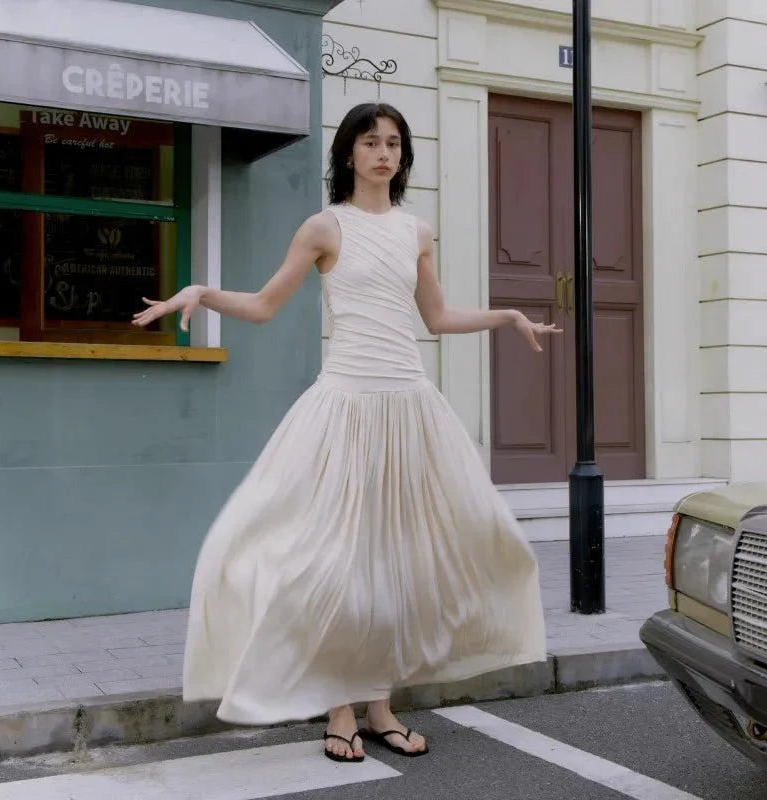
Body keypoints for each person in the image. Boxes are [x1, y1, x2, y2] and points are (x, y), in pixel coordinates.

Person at [133, 102, 558, 764]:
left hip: (409, 407)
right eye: (370, 142)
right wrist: (202, 292)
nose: (383, 153)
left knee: (398, 568)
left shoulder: (417, 231)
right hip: (345, 407)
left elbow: (437, 317)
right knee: (335, 565)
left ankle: (380, 705)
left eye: (393, 143)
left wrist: (508, 314)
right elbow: (268, 305)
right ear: (349, 155)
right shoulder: (324, 228)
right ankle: (340, 709)